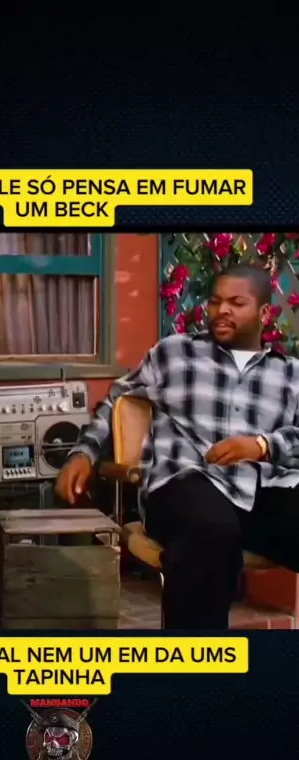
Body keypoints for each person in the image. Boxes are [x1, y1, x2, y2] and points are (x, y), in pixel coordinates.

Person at [56, 263, 299, 630]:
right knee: (211, 531)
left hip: (263, 488)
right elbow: (116, 402)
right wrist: (84, 454)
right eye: (215, 301)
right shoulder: (175, 353)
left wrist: (263, 446)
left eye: (236, 303)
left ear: (265, 313)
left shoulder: (290, 374)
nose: (222, 310)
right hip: (186, 480)